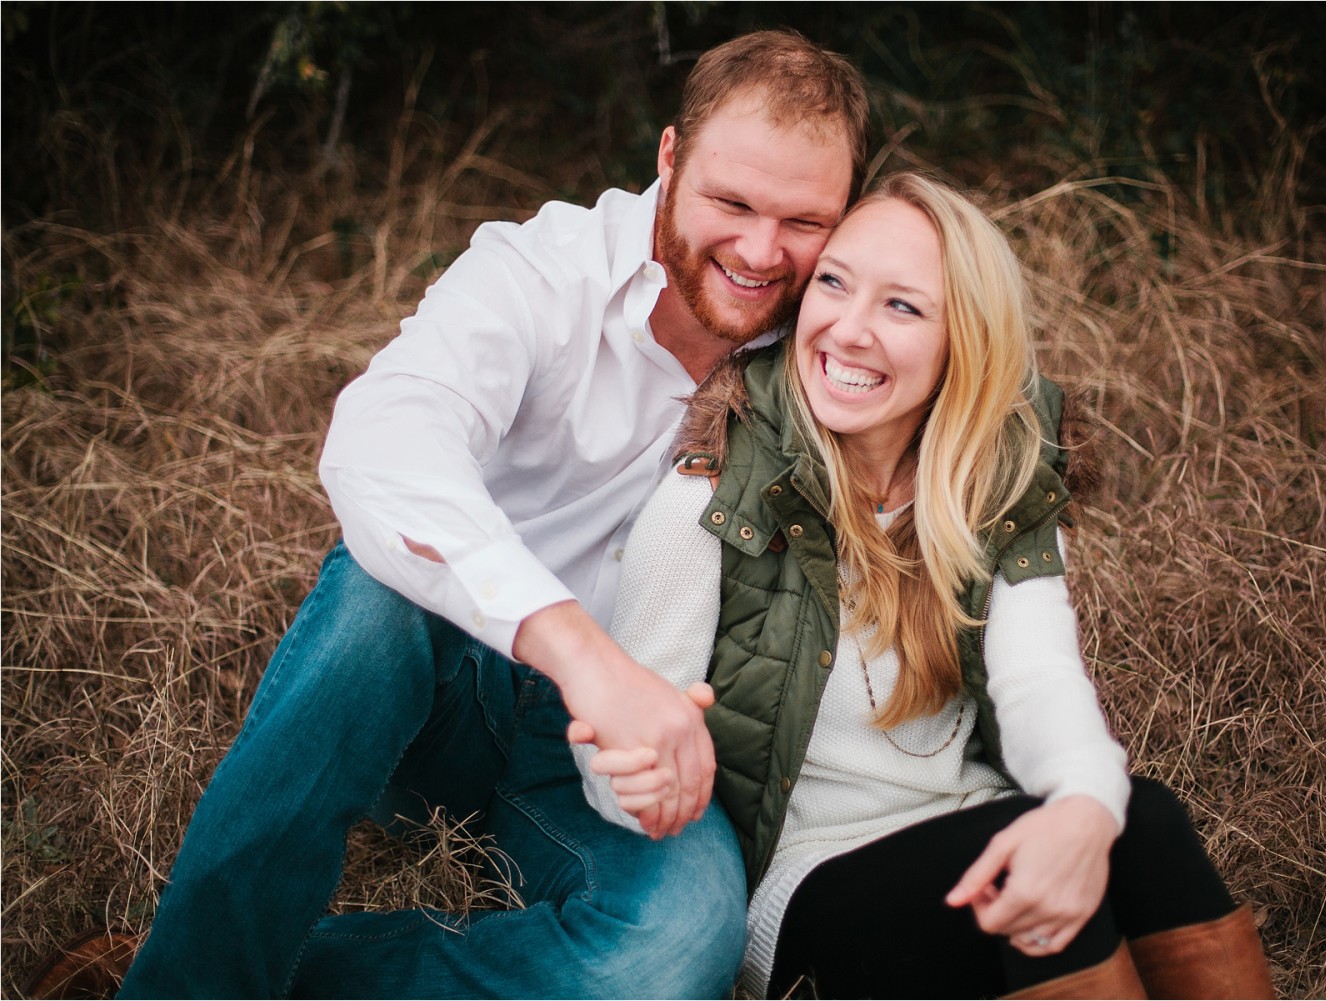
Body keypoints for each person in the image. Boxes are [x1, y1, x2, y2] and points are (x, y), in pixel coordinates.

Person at [70, 29, 868, 1001]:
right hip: (440, 692)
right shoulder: (539, 272)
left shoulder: (840, 346)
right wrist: (581, 652)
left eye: (804, 220)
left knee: (675, 950)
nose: (760, 250)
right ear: (668, 159)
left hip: (620, 742)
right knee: (380, 589)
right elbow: (381, 439)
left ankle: (240, 967)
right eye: (731, 202)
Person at [577, 172, 1277, 999]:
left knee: (1141, 818)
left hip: (971, 821)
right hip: (811, 882)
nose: (849, 328)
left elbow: (1040, 679)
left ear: (963, 344)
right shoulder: (708, 500)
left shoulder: (993, 490)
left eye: (901, 307)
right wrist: (634, 779)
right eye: (833, 284)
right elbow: (624, 747)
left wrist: (1087, 806)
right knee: (1023, 879)